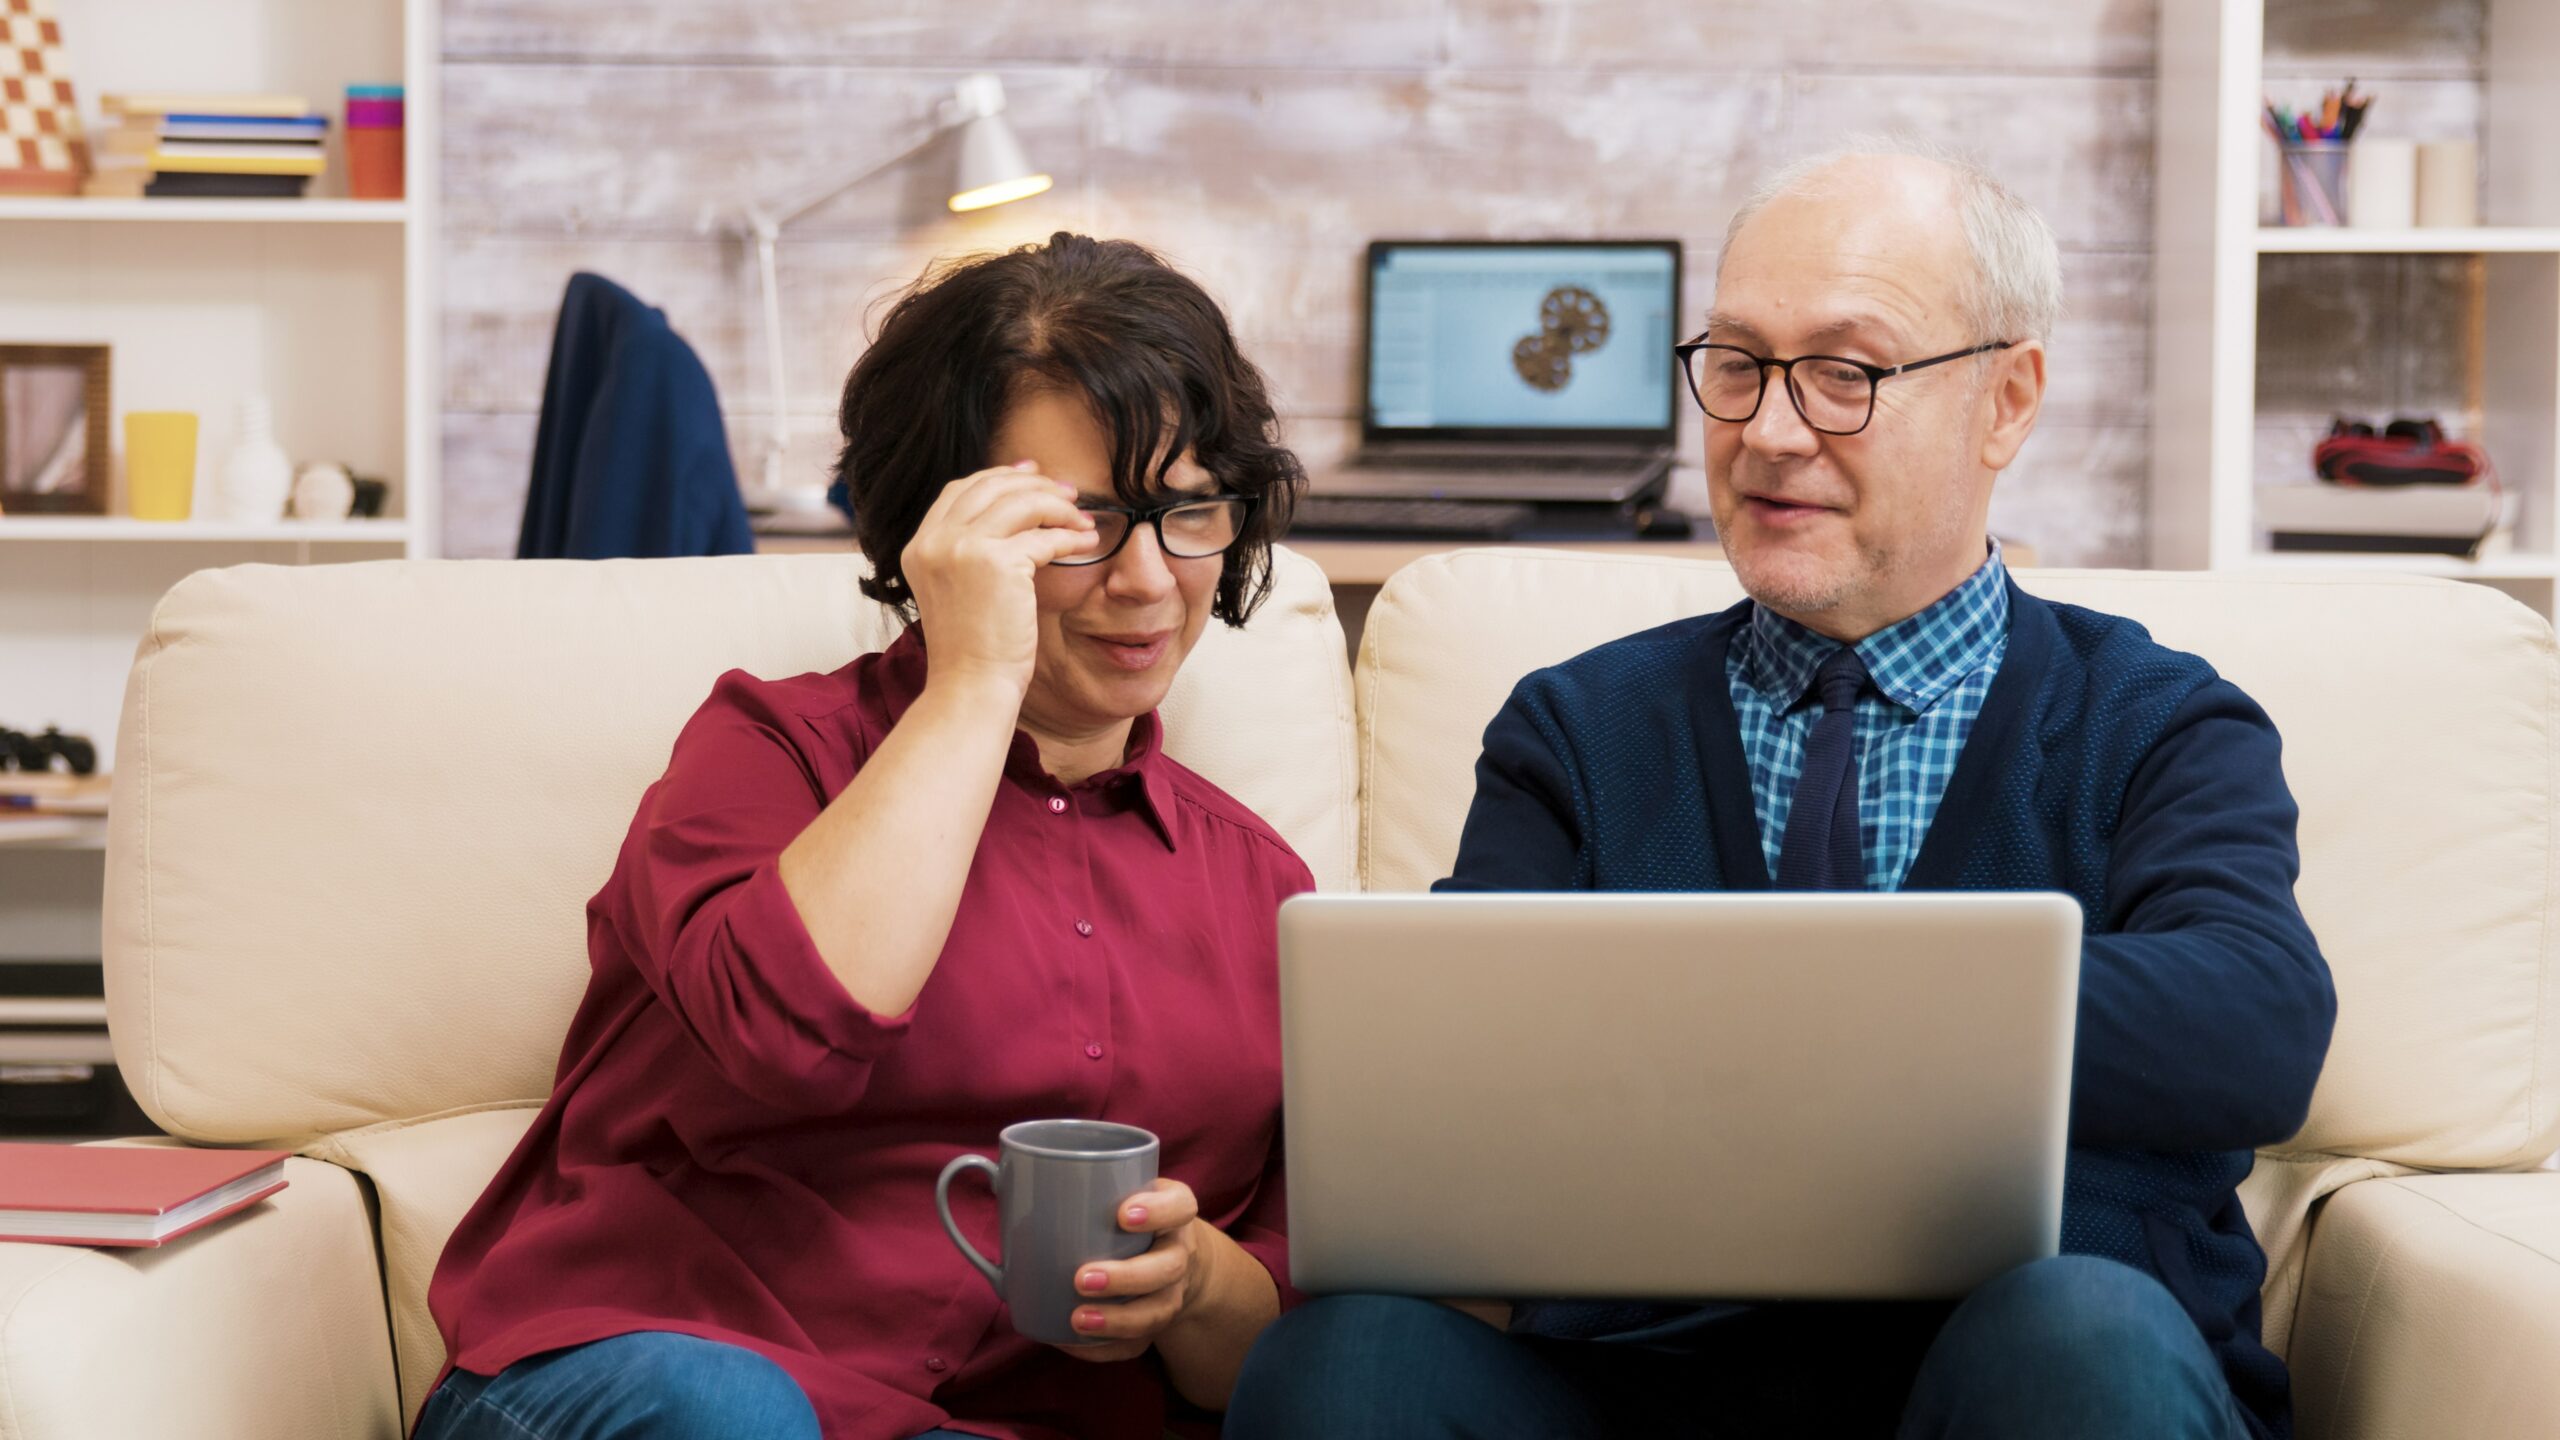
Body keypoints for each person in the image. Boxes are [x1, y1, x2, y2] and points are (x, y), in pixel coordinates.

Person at [1226, 142, 2336, 1440]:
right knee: (1341, 1364)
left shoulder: (2155, 720)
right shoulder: (1575, 731)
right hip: (1648, 1386)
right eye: (1739, 365)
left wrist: (1851, 1010)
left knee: (2077, 1334)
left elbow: (2258, 1026)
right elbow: (1453, 1102)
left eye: (1846, 374)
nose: (1768, 430)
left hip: (2024, 1370)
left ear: (2007, 401)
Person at [419, 233, 1313, 1440]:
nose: (1150, 579)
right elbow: (795, 1034)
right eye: (1078, 524)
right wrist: (974, 681)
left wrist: (1196, 1281)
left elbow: (1277, 1356)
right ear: (939, 534)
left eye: (1188, 508)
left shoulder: (1263, 887)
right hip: (663, 1381)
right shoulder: (768, 755)